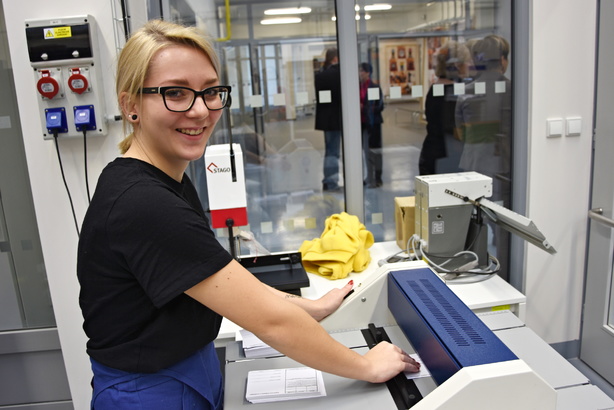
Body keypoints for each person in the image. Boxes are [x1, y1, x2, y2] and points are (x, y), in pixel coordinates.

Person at [77, 20, 419, 410]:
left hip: (187, 366)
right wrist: (366, 366)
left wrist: (314, 307)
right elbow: (271, 322)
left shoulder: (163, 178)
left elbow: (225, 285)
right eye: (175, 93)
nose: (200, 109)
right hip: (151, 391)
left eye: (210, 91)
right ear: (130, 105)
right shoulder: (144, 203)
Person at [419, 41, 472, 175]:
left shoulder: (436, 89)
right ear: (456, 65)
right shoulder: (453, 93)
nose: (469, 65)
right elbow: (453, 129)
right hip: (447, 158)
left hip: (432, 154)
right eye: (466, 61)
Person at [315, 47, 343, 191]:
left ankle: (328, 181)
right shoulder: (340, 74)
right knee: (333, 153)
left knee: (330, 150)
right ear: (336, 59)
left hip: (327, 120)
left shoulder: (321, 74)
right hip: (338, 119)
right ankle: (331, 182)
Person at [359, 62, 384, 188]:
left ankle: (377, 177)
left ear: (368, 73)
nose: (359, 73)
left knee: (375, 151)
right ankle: (368, 176)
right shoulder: (357, 87)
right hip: (361, 123)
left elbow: (379, 106)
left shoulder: (374, 87)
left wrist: (364, 107)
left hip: (373, 123)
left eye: (361, 71)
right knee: (365, 151)